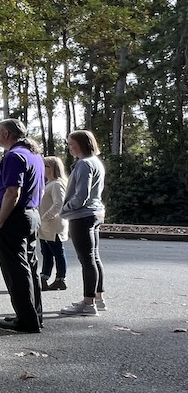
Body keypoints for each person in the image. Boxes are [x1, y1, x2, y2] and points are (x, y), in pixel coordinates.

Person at [0, 119, 44, 333]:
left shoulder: (14, 156)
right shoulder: (35, 155)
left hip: (15, 216)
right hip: (32, 215)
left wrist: (1, 220)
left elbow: (13, 191)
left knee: (16, 269)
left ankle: (26, 320)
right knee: (30, 266)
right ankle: (33, 314)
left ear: (5, 133)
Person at [60, 129, 108, 316]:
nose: (69, 147)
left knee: (87, 259)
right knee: (94, 258)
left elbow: (81, 195)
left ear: (81, 144)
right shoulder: (96, 162)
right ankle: (98, 298)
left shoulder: (83, 164)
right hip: (95, 213)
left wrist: (64, 209)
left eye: (71, 144)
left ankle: (88, 304)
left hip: (82, 215)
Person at [38, 156, 69, 292]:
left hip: (53, 225)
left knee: (58, 252)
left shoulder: (57, 184)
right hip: (45, 226)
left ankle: (60, 279)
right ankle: (44, 278)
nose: (42, 169)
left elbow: (59, 203)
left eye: (44, 166)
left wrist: (46, 217)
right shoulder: (48, 183)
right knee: (46, 252)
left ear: (51, 168)